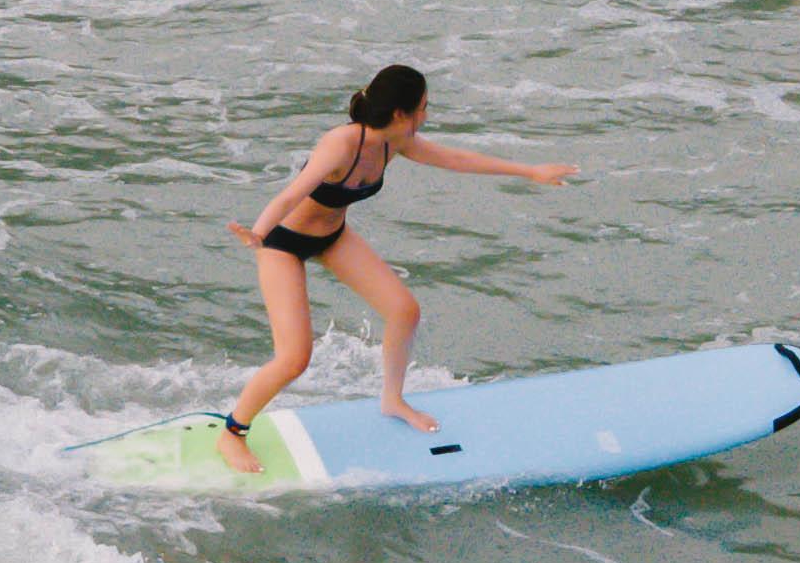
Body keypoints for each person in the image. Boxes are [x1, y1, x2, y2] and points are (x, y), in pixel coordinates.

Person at [216, 65, 574, 472]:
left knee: (405, 310)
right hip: (280, 243)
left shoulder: (395, 142)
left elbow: (455, 159)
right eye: (423, 108)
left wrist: (530, 172)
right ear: (400, 113)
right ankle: (232, 434)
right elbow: (292, 193)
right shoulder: (341, 144)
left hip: (333, 236)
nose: (426, 115)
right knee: (294, 358)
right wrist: (258, 233)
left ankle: (393, 399)